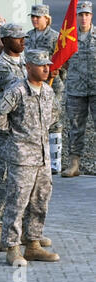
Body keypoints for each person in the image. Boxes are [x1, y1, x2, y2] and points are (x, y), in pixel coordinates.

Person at [0, 49, 61, 266]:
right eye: (41, 65)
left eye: (47, 65)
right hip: (21, 157)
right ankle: (12, 247)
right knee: (17, 202)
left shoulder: (48, 91)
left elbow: (55, 115)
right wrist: (13, 136)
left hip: (42, 158)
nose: (46, 68)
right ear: (28, 67)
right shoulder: (17, 90)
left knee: (40, 202)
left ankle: (33, 244)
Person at [0, 23, 27, 251]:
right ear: (4, 40)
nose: (22, 41)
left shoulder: (24, 62)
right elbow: (20, 87)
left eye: (23, 37)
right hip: (5, 132)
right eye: (17, 38)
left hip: (23, 130)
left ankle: (23, 231)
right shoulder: (0, 66)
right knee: (4, 179)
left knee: (25, 183)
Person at [25, 4, 64, 175]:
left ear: (46, 18)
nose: (34, 19)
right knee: (33, 120)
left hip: (52, 84)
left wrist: (58, 70)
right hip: (32, 84)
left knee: (54, 121)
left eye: (38, 17)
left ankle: (55, 161)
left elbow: (63, 59)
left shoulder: (55, 37)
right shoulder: (28, 37)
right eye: (32, 16)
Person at [61, 1, 95, 178]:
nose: (83, 18)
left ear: (91, 16)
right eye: (80, 14)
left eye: (86, 14)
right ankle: (74, 164)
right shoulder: (69, 37)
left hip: (95, 88)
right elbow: (63, 60)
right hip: (76, 89)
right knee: (75, 128)